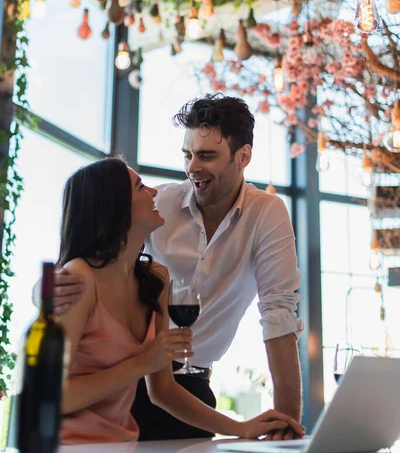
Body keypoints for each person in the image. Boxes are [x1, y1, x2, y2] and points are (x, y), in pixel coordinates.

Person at [47, 94, 303, 441]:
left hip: (182, 391)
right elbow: (93, 255)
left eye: (207, 155)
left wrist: (284, 428)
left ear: (243, 157)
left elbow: (278, 312)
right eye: (188, 155)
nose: (192, 167)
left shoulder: (262, 216)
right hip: (115, 396)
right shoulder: (159, 205)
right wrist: (47, 289)